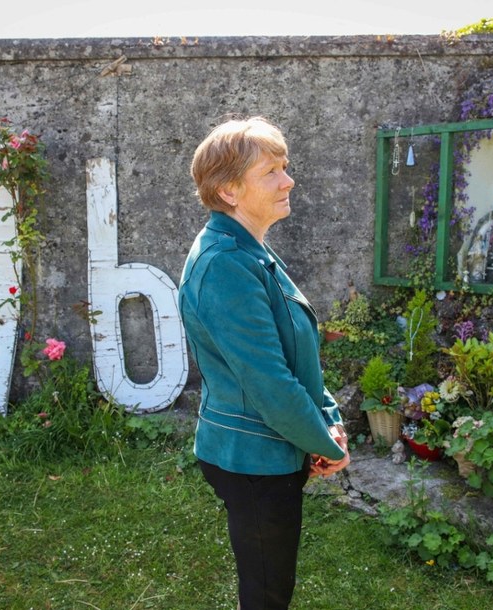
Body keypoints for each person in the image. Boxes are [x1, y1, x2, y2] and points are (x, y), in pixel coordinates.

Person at [178, 116, 350, 610]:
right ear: (230, 191)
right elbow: (269, 383)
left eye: (285, 166)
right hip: (252, 458)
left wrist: (330, 420)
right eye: (271, 171)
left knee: (271, 585)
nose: (288, 180)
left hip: (271, 448)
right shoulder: (227, 265)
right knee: (267, 593)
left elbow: (295, 353)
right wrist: (326, 445)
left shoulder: (250, 252)